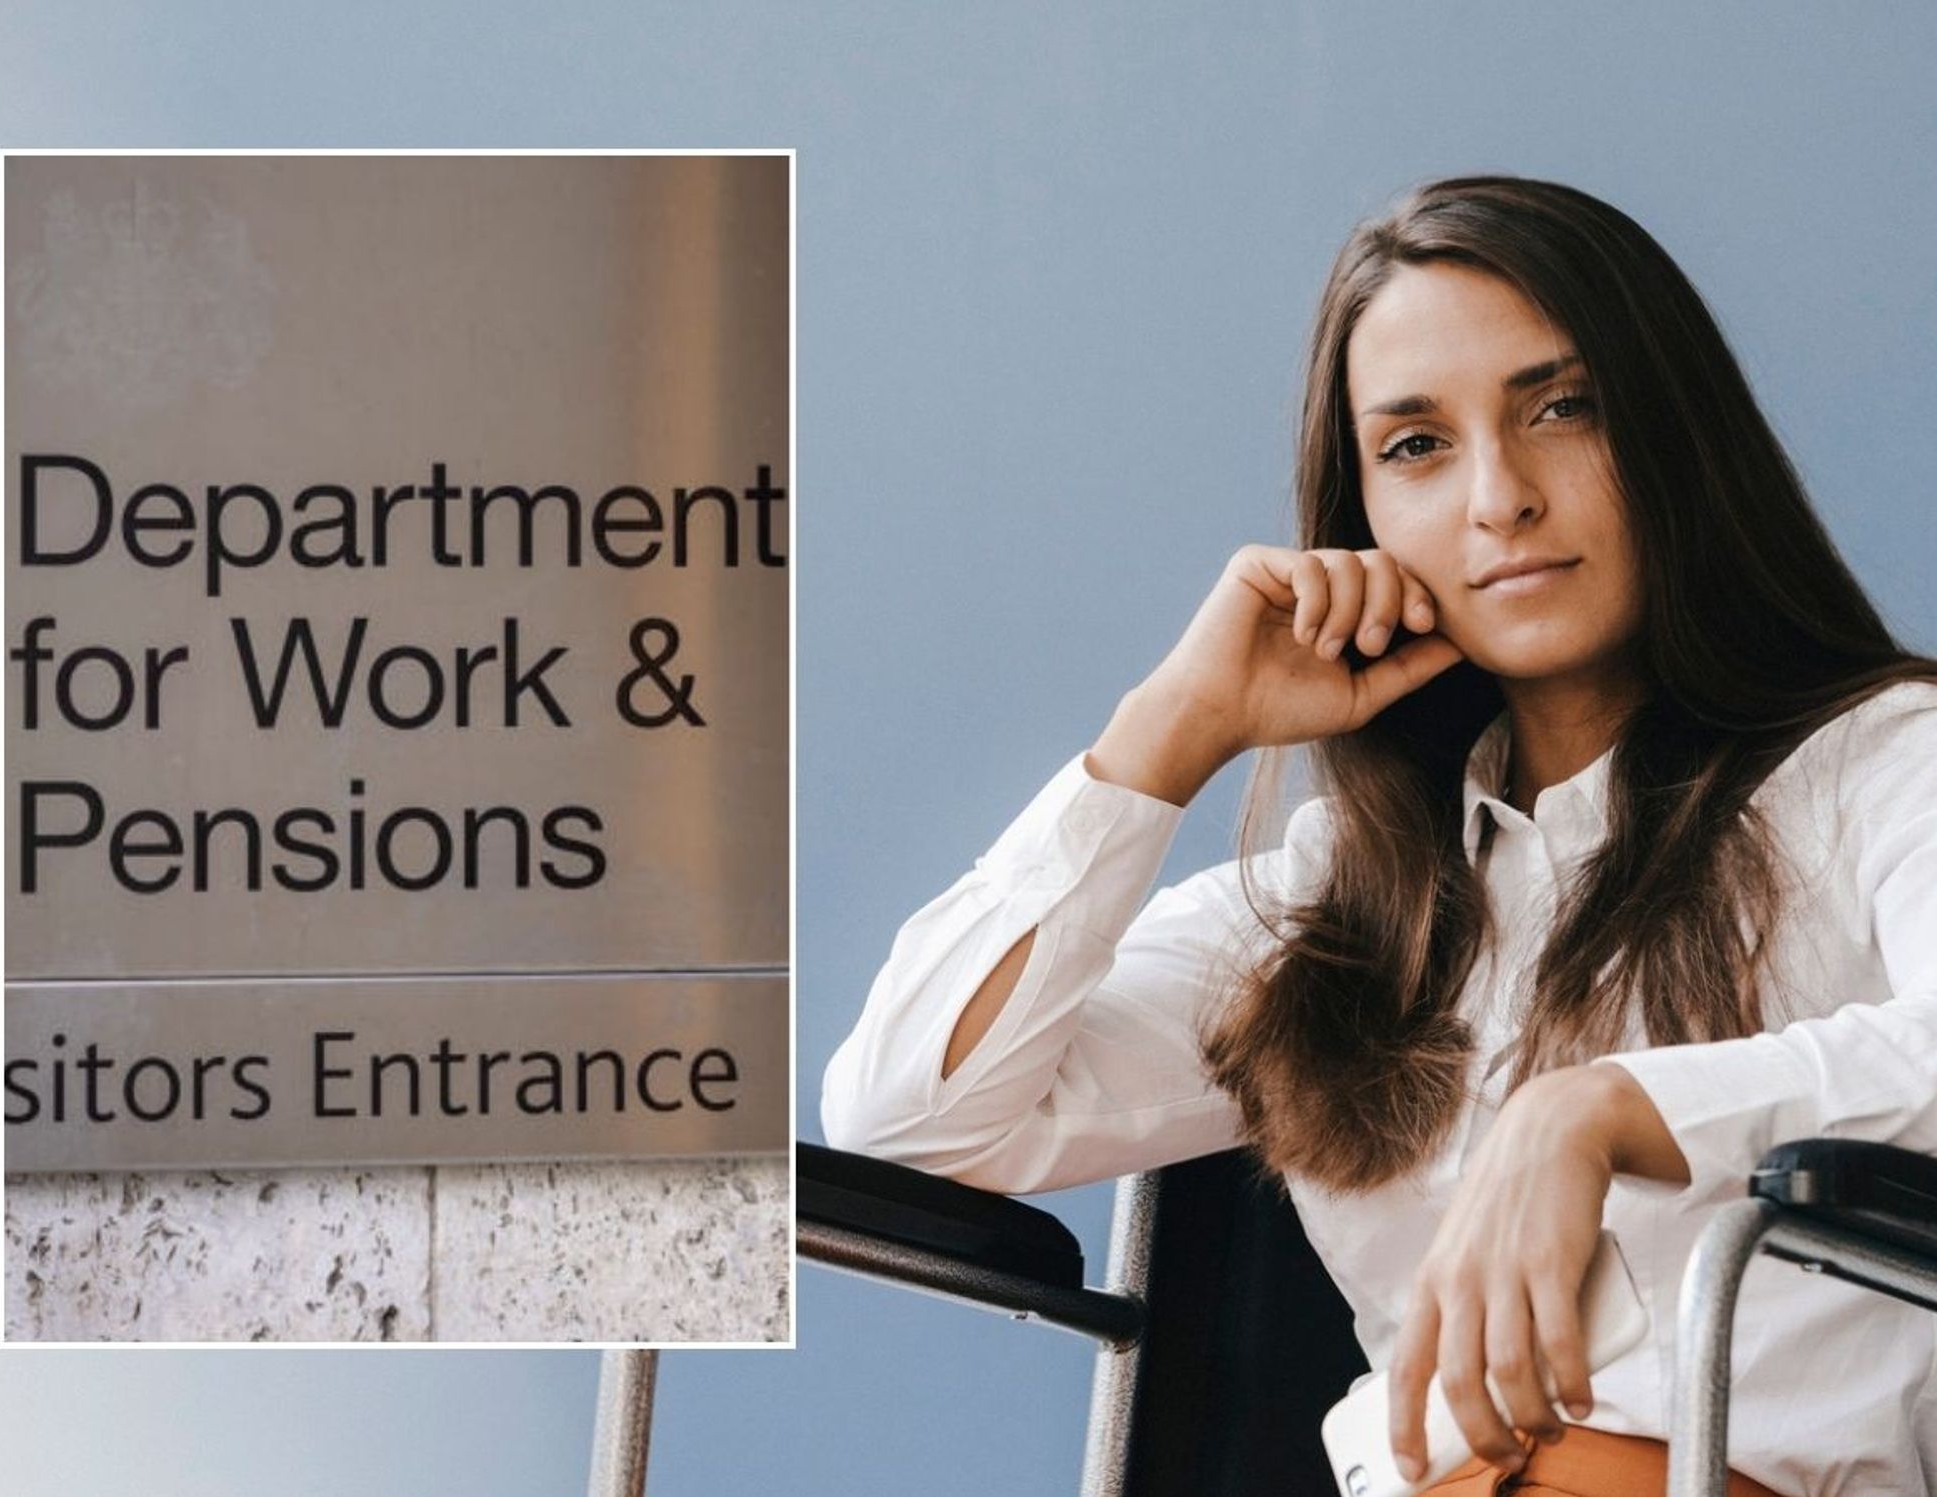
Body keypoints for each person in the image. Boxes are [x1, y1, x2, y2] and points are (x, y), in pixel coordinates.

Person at [819, 176, 1937, 1497]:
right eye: (1417, 446)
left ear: (1676, 431)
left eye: (1559, 407)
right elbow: (911, 1123)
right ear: (1363, 519)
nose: (1499, 498)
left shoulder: (1881, 760)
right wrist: (1169, 730)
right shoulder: (1339, 906)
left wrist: (1600, 1112)